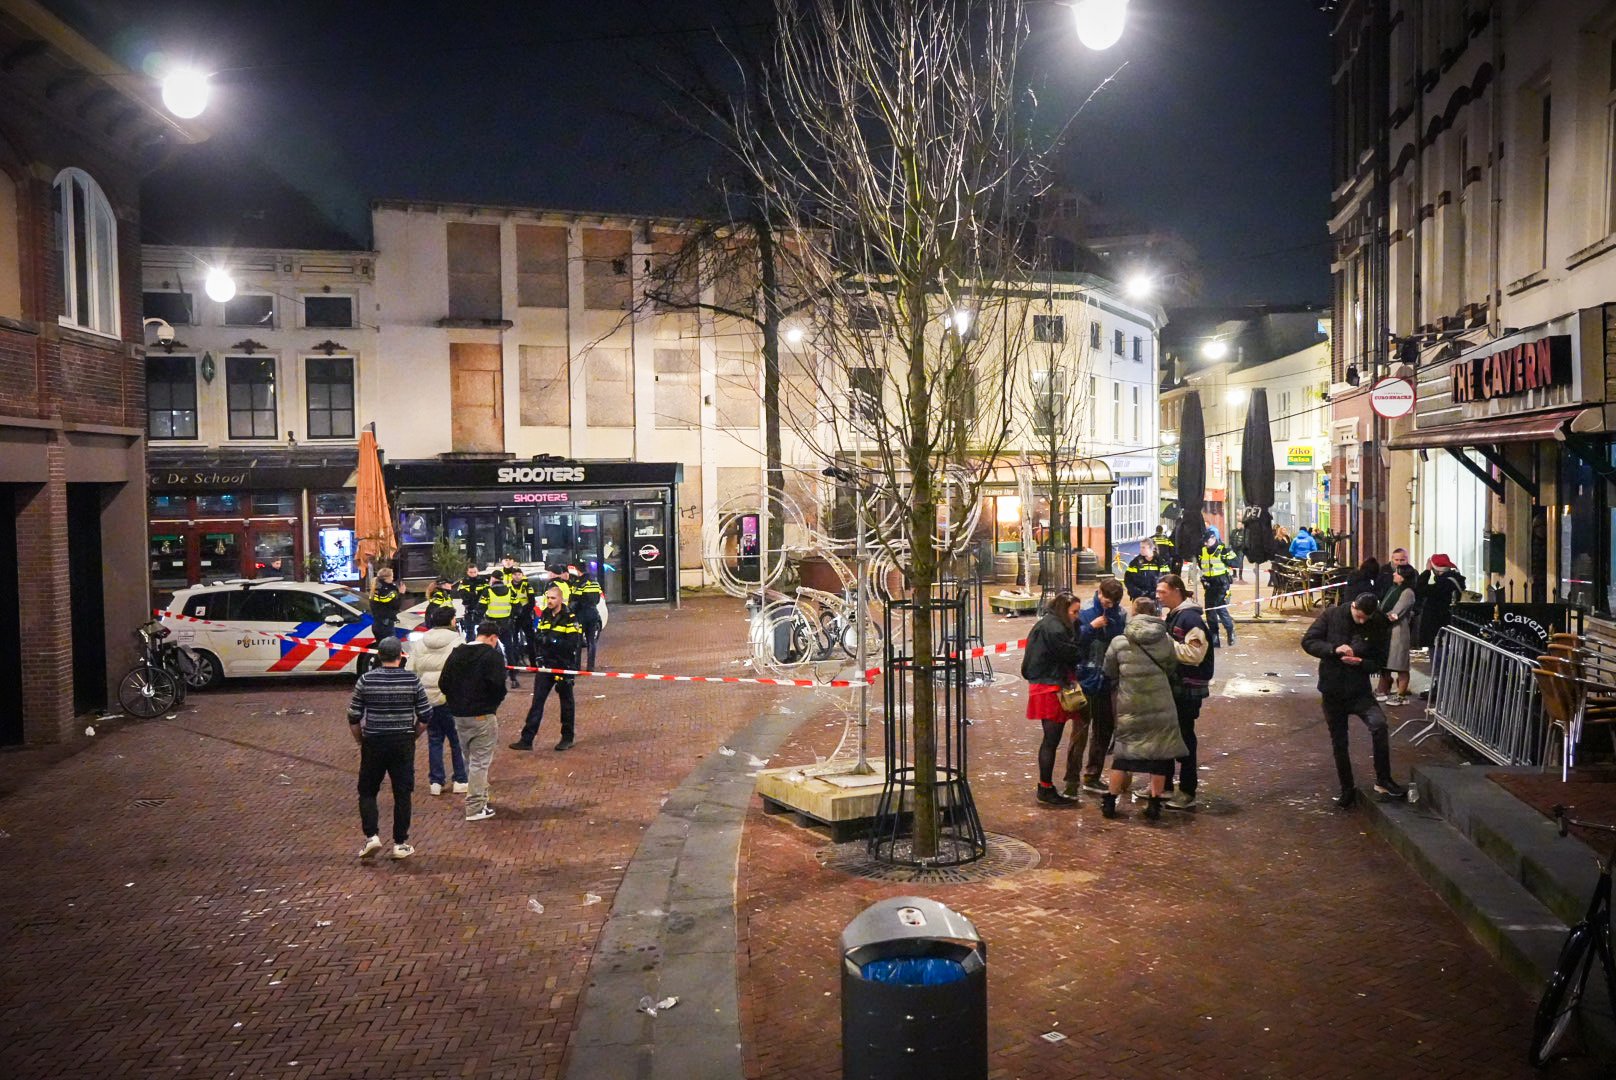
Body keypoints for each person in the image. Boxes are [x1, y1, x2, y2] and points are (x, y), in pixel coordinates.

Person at [1302, 593, 1407, 809]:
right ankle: (1347, 789)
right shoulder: (1332, 615)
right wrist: (1333, 649)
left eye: (1365, 619)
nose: (1362, 622)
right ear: (1353, 606)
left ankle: (1383, 779)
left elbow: (1379, 661)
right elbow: (1309, 641)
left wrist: (1361, 662)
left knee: (1379, 725)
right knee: (1339, 742)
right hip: (1333, 689)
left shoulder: (1377, 622)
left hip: (1359, 690)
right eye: (1359, 617)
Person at [1101, 597, 1189, 821]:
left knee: (1123, 754)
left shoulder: (1120, 641)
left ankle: (1110, 801)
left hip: (1130, 704)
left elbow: (1109, 670)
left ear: (1134, 613)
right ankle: (1154, 804)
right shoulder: (1165, 640)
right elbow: (1171, 666)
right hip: (1160, 703)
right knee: (1158, 755)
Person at [347, 636, 432, 860]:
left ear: (378, 657)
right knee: (402, 792)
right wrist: (412, 735)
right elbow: (425, 715)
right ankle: (400, 842)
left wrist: (361, 740)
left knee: (367, 790)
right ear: (400, 657)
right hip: (402, 741)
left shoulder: (366, 680)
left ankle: (372, 836)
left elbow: (354, 715)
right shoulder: (412, 681)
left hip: (374, 740)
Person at [438, 621, 509, 821]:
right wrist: (491, 705)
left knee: (469, 759)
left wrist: (456, 702)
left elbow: (443, 682)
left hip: (459, 716)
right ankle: (475, 806)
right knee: (480, 762)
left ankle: (481, 800)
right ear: (493, 638)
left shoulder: (457, 653)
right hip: (482, 715)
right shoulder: (492, 656)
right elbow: (498, 686)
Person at [1020, 590, 1085, 806]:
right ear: (1064, 610)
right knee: (1051, 739)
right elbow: (1072, 653)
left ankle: (1045, 786)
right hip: (1049, 687)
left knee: (1051, 739)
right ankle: (1045, 788)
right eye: (1074, 612)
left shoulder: (1049, 623)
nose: (1077, 616)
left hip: (1046, 683)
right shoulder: (1055, 628)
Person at [1064, 579, 1127, 797]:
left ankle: (1092, 775)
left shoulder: (1120, 616)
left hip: (1106, 681)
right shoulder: (1084, 614)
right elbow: (1072, 644)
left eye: (1112, 603)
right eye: (1106, 601)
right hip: (1084, 680)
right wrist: (1091, 628)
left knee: (1103, 731)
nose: (1108, 606)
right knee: (1079, 732)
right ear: (1099, 593)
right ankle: (1071, 780)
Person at [1156, 574, 1212, 811]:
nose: (1158, 596)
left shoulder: (1190, 619)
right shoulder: (1175, 615)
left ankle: (1188, 790)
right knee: (1169, 736)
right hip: (1175, 687)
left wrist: (1165, 644)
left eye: (1163, 592)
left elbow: (1195, 654)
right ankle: (1165, 785)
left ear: (1177, 591)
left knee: (1185, 738)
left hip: (1187, 689)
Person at [511, 584, 584, 752]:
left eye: (553, 598)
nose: (549, 601)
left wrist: (553, 641)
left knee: (566, 703)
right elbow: (539, 636)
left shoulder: (570, 617)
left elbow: (573, 644)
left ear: (560, 599)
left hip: (563, 665)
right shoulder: (544, 614)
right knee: (537, 702)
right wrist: (539, 651)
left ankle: (567, 737)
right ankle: (527, 739)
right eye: (548, 598)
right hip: (546, 665)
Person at [410, 605, 468, 797]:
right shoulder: (458, 642)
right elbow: (463, 672)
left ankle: (436, 781)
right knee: (457, 740)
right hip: (451, 698)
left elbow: (411, 670)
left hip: (427, 699)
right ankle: (460, 779)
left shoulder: (420, 643)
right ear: (451, 621)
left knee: (434, 740)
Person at [1376, 564, 1418, 705]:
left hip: (1398, 631)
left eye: (1397, 573)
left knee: (1400, 664)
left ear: (1404, 577)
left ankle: (1401, 695)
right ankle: (1385, 689)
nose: (1394, 575)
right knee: (1387, 662)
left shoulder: (1407, 592)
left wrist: (1380, 618)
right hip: (1388, 631)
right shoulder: (1394, 589)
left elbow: (1396, 612)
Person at [479, 569, 522, 689]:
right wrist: (511, 617)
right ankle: (513, 678)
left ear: (493, 579)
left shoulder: (488, 592)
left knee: (487, 650)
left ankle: (487, 677)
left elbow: (480, 608)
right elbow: (518, 607)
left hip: (490, 625)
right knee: (509, 649)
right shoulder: (510, 591)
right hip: (506, 625)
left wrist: (481, 618)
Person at [1416, 553, 1467, 650]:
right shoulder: (1454, 580)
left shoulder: (1444, 584)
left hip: (1438, 627)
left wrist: (1427, 571)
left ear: (1435, 569)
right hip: (1446, 625)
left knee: (1438, 659)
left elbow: (1420, 589)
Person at [1198, 527, 1236, 648]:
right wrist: (1203, 578)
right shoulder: (1203, 551)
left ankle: (1230, 630)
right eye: (1204, 542)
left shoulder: (1223, 549)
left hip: (1221, 583)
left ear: (1214, 538)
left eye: (1207, 541)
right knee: (1209, 611)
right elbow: (1202, 567)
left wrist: (1227, 559)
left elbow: (1236, 562)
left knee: (1220, 608)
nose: (1205, 544)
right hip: (1209, 584)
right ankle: (1214, 636)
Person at [568, 563, 606, 670]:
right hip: (593, 614)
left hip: (581, 616)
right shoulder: (595, 583)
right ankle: (590, 667)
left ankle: (577, 666)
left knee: (578, 641)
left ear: (578, 571)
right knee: (591, 641)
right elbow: (598, 599)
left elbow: (574, 600)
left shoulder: (578, 584)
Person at [509, 567, 537, 667]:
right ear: (512, 576)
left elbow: (532, 601)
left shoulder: (527, 586)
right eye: (515, 575)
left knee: (530, 640)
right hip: (514, 617)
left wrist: (524, 612)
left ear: (522, 575)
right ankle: (516, 662)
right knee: (514, 640)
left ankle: (533, 663)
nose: (517, 576)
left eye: (519, 574)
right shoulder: (508, 587)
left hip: (525, 616)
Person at [369, 567, 402, 642]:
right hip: (385, 625)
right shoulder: (388, 590)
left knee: (381, 648)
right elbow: (395, 605)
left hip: (377, 624)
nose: (392, 578)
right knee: (390, 648)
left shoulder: (376, 587)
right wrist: (401, 594)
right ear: (387, 577)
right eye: (392, 576)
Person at [457, 565, 485, 643]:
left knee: (484, 633)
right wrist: (475, 593)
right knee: (469, 633)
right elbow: (464, 595)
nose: (473, 574)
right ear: (467, 572)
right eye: (471, 572)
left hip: (481, 610)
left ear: (478, 572)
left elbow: (485, 594)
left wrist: (473, 594)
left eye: (474, 572)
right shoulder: (464, 582)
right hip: (469, 610)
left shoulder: (483, 581)